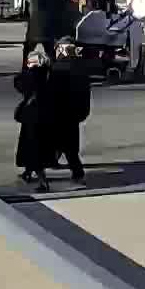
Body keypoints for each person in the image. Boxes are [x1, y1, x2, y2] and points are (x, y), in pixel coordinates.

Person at [47, 37, 90, 184]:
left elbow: (51, 90)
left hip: (61, 111)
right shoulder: (79, 67)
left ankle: (77, 171)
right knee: (66, 142)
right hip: (74, 112)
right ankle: (56, 161)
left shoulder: (59, 68)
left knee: (65, 143)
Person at [14, 47, 54, 191]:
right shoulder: (48, 75)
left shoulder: (32, 76)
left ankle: (43, 182)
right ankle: (28, 173)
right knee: (34, 149)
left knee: (33, 150)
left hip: (33, 118)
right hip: (44, 118)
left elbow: (18, 83)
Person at [24, 0, 73, 64]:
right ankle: (51, 69)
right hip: (50, 28)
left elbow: (31, 6)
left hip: (35, 26)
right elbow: (60, 8)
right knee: (50, 50)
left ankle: (25, 68)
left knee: (29, 48)